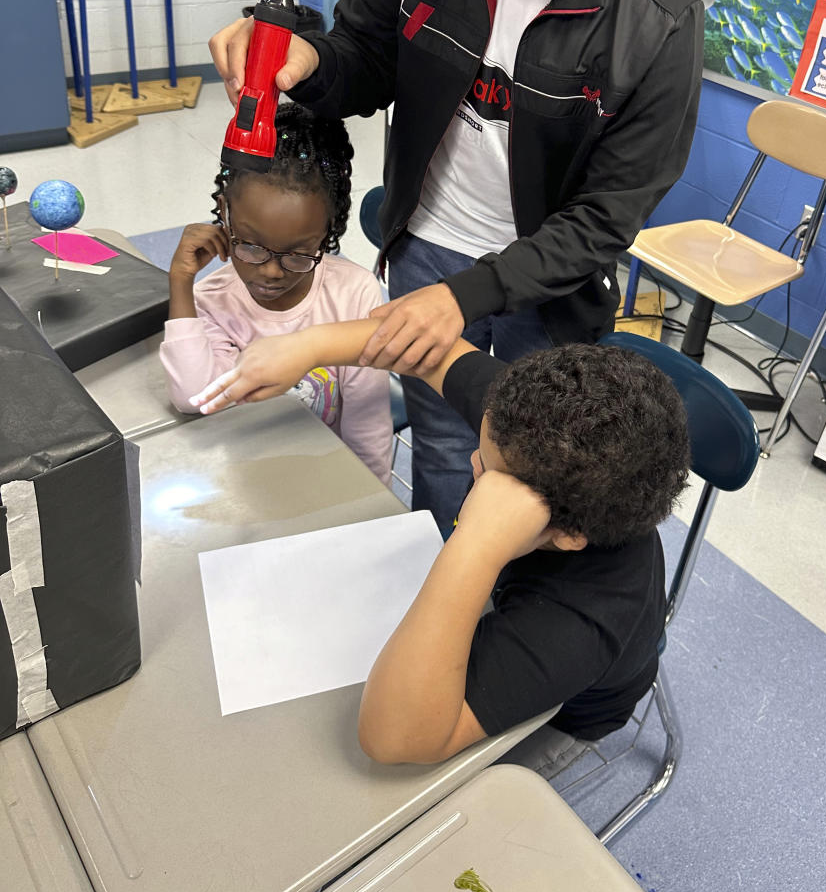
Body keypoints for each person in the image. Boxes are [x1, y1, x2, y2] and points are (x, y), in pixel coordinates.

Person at [209, 0, 703, 538]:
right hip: (427, 244)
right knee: (442, 448)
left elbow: (601, 222)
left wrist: (471, 295)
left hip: (548, 291)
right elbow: (367, 58)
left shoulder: (659, 18)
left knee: (539, 483)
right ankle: (447, 611)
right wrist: (310, 64)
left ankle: (509, 643)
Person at [189, 322, 690, 763]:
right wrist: (310, 345)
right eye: (482, 447)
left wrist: (475, 547)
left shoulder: (583, 620)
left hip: (564, 715)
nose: (473, 465)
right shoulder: (534, 427)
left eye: (490, 474)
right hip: (507, 598)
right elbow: (427, 348)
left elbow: (395, 740)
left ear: (567, 534)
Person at [158, 104, 393, 486]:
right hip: (246, 478)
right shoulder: (212, 299)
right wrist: (181, 282)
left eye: (299, 255)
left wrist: (372, 505)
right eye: (250, 246)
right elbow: (192, 396)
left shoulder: (353, 293)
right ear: (225, 213)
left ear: (327, 232)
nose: (270, 270)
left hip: (326, 477)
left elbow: (367, 426)